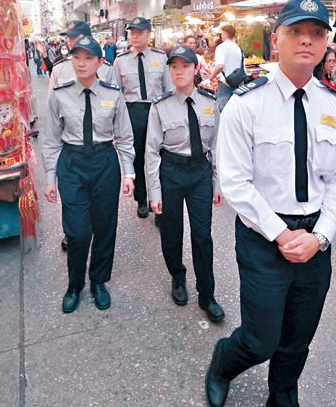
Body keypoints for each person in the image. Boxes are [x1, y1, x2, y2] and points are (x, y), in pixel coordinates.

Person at [204, 0, 336, 407]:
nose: (306, 41)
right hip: (263, 236)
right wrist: (280, 234)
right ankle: (223, 362)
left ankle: (283, 397)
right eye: (295, 32)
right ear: (276, 40)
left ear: (327, 43)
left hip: (314, 240)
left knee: (297, 340)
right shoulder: (246, 103)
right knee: (261, 339)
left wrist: (319, 237)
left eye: (316, 33)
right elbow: (235, 182)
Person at [42, 36, 136, 313]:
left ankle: (98, 281)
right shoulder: (60, 94)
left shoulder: (112, 94)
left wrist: (129, 173)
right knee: (78, 232)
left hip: (105, 161)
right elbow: (51, 140)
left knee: (105, 228)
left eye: (87, 58)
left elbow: (125, 137)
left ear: (100, 61)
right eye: (76, 57)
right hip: (71, 164)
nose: (81, 63)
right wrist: (50, 178)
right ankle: (74, 284)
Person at [145, 45, 225, 321]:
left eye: (185, 66)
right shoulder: (160, 105)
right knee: (171, 231)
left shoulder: (209, 102)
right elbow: (152, 152)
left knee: (202, 236)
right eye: (174, 67)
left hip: (200, 173)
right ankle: (177, 276)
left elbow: (216, 147)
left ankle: (207, 294)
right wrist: (153, 191)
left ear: (195, 70)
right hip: (171, 172)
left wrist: (217, 184)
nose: (179, 72)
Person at [113, 17, 172, 219]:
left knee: (159, 157)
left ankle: (160, 202)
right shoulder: (120, 60)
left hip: (156, 111)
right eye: (132, 32)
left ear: (149, 34)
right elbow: (117, 94)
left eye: (140, 32)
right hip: (132, 112)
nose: (135, 36)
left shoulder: (161, 57)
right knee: (137, 157)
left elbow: (168, 89)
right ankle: (141, 199)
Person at [48, 21, 117, 96]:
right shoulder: (59, 69)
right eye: (68, 37)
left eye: (74, 36)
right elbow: (52, 102)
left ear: (89, 38)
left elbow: (114, 97)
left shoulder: (106, 68)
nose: (69, 40)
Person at [207, 24, 244, 113]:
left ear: (225, 34)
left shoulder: (221, 47)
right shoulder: (238, 48)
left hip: (225, 85)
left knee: (222, 114)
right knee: (234, 113)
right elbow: (243, 69)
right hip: (236, 85)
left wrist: (211, 77)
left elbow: (220, 66)